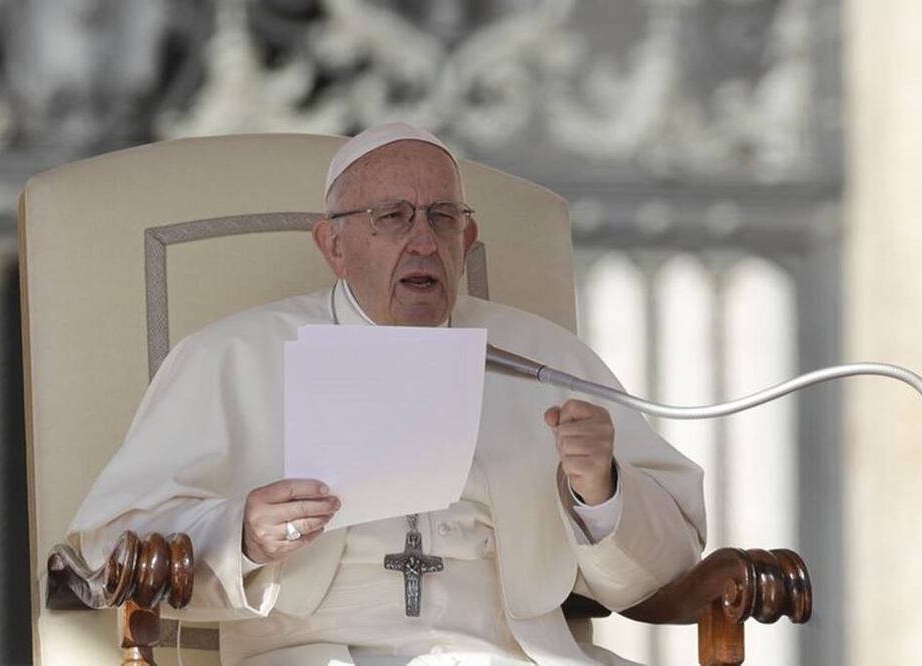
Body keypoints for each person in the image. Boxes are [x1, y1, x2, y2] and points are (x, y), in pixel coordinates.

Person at [70, 123, 706, 665]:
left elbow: (667, 567)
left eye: (443, 218)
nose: (423, 240)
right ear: (334, 246)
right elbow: (108, 550)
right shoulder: (230, 357)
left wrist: (601, 490)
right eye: (392, 217)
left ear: (466, 242)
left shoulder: (548, 359)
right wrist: (241, 535)